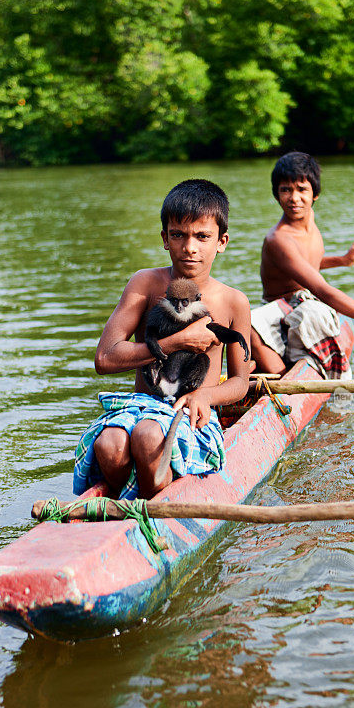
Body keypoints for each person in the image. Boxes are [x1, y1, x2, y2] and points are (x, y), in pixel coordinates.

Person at [73, 179, 251, 499]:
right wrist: (177, 342)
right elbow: (105, 358)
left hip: (191, 413)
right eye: (178, 235)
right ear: (165, 239)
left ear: (221, 241)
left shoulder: (233, 301)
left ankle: (154, 500)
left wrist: (205, 397)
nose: (190, 247)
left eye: (202, 236)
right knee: (108, 444)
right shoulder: (145, 284)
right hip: (142, 405)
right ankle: (129, 505)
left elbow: (240, 382)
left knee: (146, 437)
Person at [250, 152, 354, 377]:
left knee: (314, 308)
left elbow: (307, 264)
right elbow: (323, 290)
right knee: (251, 324)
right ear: (276, 194)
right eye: (285, 190)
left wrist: (343, 260)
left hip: (302, 301)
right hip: (279, 313)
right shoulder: (278, 239)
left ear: (315, 194)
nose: (294, 198)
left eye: (302, 189)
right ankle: (284, 380)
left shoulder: (309, 221)